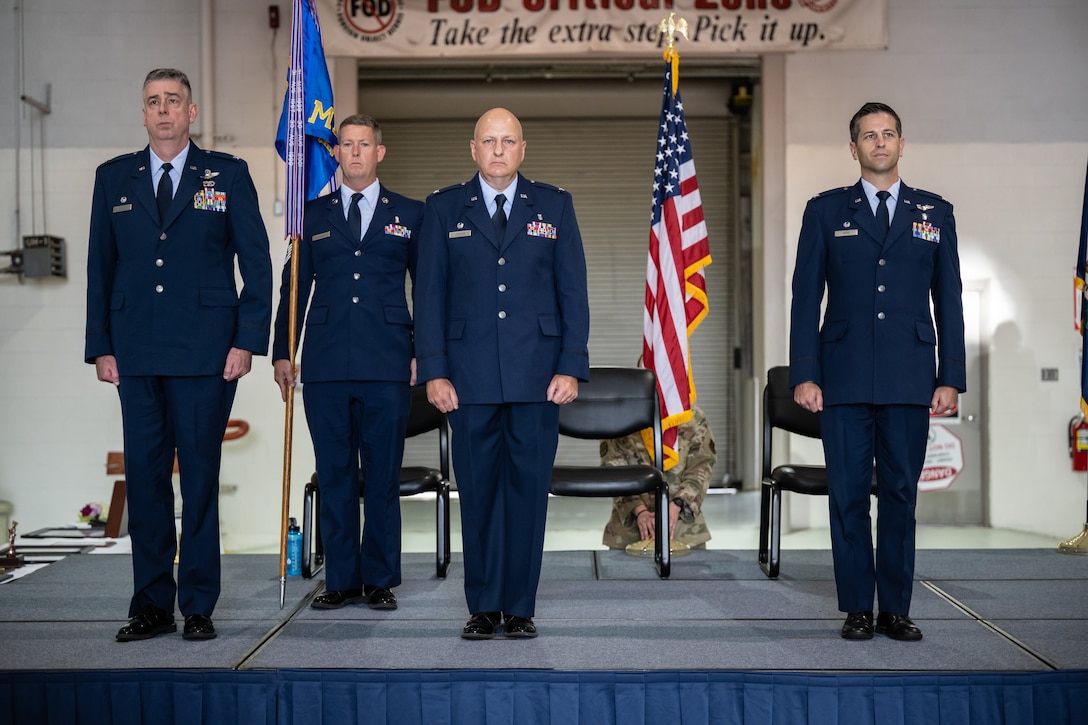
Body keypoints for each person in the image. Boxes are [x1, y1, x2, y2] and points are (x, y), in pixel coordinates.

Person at [85, 68, 272, 642]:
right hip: (137, 353)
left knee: (199, 478)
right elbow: (100, 266)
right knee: (144, 481)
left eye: (173, 101)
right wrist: (101, 346)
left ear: (192, 112)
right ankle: (149, 605)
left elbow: (257, 265)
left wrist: (246, 341)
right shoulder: (114, 178)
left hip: (206, 355)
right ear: (143, 114)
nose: (163, 111)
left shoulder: (229, 175)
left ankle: (197, 605)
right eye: (153, 102)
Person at [788, 102, 965, 642]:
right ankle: (856, 609)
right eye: (869, 135)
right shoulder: (825, 212)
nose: (880, 142)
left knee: (899, 495)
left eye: (889, 134)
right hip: (841, 377)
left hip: (910, 378)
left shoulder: (934, 213)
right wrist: (805, 373)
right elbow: (805, 299)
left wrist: (950, 376)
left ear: (902, 144)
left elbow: (949, 300)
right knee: (846, 496)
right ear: (854, 148)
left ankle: (895, 608)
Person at [415, 108, 590, 640]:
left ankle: (519, 607)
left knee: (528, 495)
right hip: (466, 382)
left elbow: (572, 293)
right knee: (480, 494)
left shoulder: (555, 205)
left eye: (507, 140)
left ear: (522, 148)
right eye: (488, 141)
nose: (497, 150)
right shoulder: (443, 209)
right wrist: (435, 372)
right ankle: (483, 606)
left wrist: (571, 365)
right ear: (472, 149)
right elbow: (429, 297)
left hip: (538, 379)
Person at [273, 114, 421, 612]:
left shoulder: (410, 213)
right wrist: (281, 352)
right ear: (335, 154)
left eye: (364, 144)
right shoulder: (311, 215)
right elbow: (294, 289)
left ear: (381, 152)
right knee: (335, 473)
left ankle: (379, 579)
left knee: (381, 475)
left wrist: (425, 352)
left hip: (388, 363)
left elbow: (428, 291)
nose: (355, 152)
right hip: (327, 362)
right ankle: (340, 578)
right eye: (347, 145)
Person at [601, 406, 716, 551]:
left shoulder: (691, 416)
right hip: (628, 536)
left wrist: (677, 504)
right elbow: (613, 469)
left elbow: (702, 465)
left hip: (685, 532)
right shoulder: (620, 416)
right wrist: (640, 511)